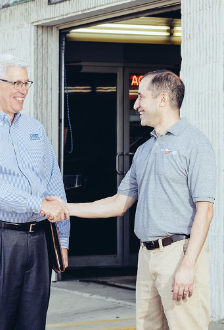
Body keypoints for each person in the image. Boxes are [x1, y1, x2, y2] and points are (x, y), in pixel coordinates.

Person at [43, 70, 216, 330]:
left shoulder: (195, 144)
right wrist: (66, 207)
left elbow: (206, 210)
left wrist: (188, 266)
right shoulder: (145, 150)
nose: (135, 105)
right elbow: (118, 203)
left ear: (162, 99)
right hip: (147, 256)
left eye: (140, 97)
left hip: (178, 255)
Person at [0, 54, 70, 330]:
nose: (23, 90)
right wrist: (39, 205)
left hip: (38, 241)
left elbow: (54, 184)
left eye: (26, 83)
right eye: (16, 83)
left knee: (33, 323)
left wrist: (62, 240)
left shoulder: (35, 129)